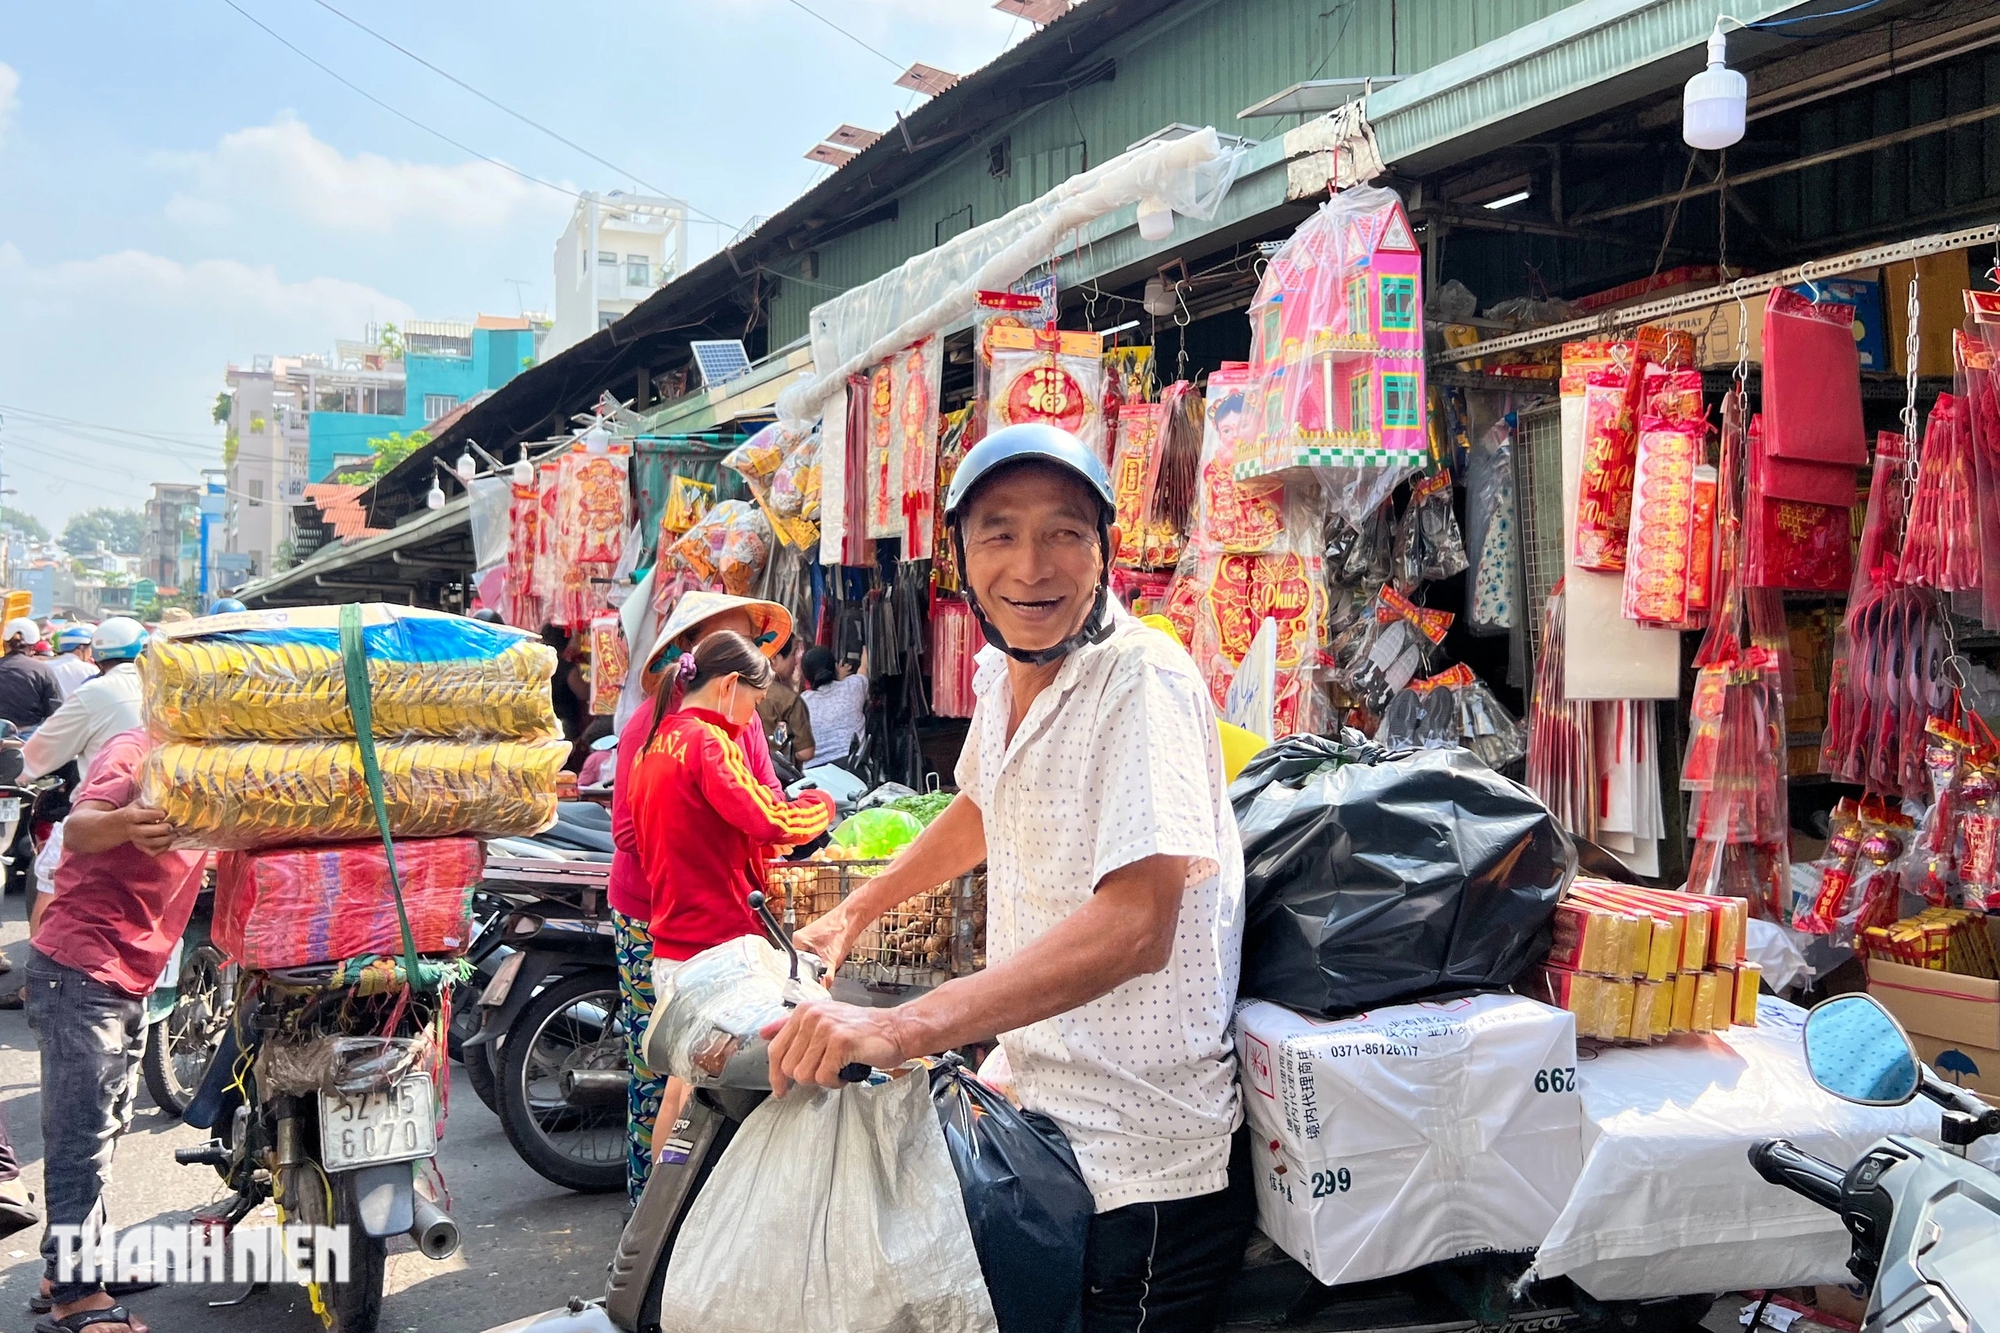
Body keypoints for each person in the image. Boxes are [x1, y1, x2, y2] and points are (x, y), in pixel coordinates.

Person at [774, 423, 1252, 1333]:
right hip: (1039, 1114)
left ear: (1103, 548)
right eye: (1000, 532)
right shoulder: (1002, 674)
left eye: (1065, 531)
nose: (1032, 565)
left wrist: (902, 1023)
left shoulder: (1139, 678)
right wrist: (857, 911)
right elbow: (981, 806)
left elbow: (1136, 925)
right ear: (960, 558)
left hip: (1139, 1164)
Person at [626, 631, 834, 1196]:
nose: (752, 717)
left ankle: (661, 1212)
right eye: (752, 700)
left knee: (682, 1084)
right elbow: (768, 817)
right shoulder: (707, 743)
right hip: (717, 943)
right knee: (716, 1083)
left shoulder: (656, 741)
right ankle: (695, 1214)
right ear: (726, 687)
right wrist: (820, 805)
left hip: (672, 939)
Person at [605, 592, 795, 1204]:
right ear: (703, 658)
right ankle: (650, 1209)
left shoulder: (740, 727)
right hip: (657, 911)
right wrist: (715, 828)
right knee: (663, 1065)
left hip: (717, 916)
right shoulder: (659, 728)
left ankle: (692, 1207)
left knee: (704, 1069)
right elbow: (630, 833)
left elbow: (766, 795)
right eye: (732, 642)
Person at [27, 726, 204, 1333]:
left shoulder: (222, 764)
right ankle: (74, 1298)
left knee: (107, 1126)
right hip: (81, 969)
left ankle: (71, 1269)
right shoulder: (139, 749)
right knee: (82, 1138)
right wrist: (129, 821)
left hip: (129, 970)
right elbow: (80, 827)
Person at [22, 618, 150, 946]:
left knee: (49, 880)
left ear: (95, 655)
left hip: (101, 816)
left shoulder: (96, 691)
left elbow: (38, 753)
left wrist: (19, 770)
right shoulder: (168, 689)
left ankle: (39, 977)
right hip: (171, 818)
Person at [799, 645, 868, 769]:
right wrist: (865, 649)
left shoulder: (803, 702)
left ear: (807, 678)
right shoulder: (853, 687)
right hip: (853, 770)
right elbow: (864, 668)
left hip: (815, 775)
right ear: (835, 667)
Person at [756, 634, 815, 769]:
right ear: (774, 658)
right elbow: (805, 753)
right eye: (793, 654)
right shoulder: (789, 699)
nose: (796, 662)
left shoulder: (738, 689)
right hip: (777, 778)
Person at [0, 618, 61, 736]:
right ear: (33, 646)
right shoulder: (43, 670)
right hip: (28, 738)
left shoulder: (43, 670)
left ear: (5, 643)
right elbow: (55, 711)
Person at [48, 627, 95, 700]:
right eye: (90, 647)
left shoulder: (47, 666)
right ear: (81, 647)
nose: (91, 651)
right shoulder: (91, 670)